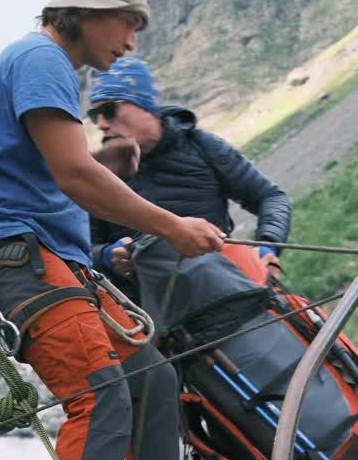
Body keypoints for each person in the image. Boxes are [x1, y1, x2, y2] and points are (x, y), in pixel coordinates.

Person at [0, 0, 225, 460]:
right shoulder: (42, 59)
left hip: (48, 259)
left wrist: (106, 166)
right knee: (99, 395)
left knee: (153, 378)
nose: (131, 42)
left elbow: (49, 164)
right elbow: (71, 174)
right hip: (22, 260)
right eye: (128, 23)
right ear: (87, 11)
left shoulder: (32, 61)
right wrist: (171, 226)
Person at [85, 57, 292, 299]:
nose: (100, 124)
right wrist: (107, 256)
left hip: (231, 291)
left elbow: (270, 197)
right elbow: (83, 252)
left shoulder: (202, 146)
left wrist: (268, 247)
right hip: (153, 319)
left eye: (108, 111)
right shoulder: (96, 176)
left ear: (145, 106)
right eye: (93, 115)